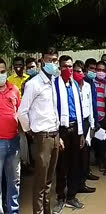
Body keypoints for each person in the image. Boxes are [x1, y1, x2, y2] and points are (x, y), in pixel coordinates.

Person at [18, 47, 60, 214]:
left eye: (55, 60)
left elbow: (53, 110)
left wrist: (58, 134)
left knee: (49, 181)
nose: (52, 63)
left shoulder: (52, 81)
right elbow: (22, 112)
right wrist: (31, 131)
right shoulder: (33, 84)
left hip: (55, 135)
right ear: (42, 60)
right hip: (42, 137)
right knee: (40, 182)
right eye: (49, 60)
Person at [53, 55, 85, 213]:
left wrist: (81, 134)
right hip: (63, 130)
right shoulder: (54, 85)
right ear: (60, 68)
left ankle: (71, 196)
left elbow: (79, 110)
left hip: (75, 129)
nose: (68, 69)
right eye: (65, 66)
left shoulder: (74, 85)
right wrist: (58, 135)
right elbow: (53, 111)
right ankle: (60, 197)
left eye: (70, 66)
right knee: (61, 165)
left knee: (74, 164)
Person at [0, 58, 21, 214]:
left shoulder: (14, 89)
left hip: (14, 141)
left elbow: (20, 112)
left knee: (14, 181)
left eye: (2, 71)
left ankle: (12, 211)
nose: (0, 74)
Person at [72, 60, 96, 194]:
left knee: (85, 154)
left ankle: (82, 183)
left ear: (84, 73)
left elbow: (91, 106)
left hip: (86, 122)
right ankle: (75, 184)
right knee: (76, 155)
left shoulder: (87, 86)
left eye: (80, 71)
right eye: (75, 71)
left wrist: (92, 124)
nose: (78, 74)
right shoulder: (71, 86)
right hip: (76, 124)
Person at [83, 58, 100, 181]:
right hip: (84, 121)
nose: (93, 71)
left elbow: (93, 104)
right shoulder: (83, 83)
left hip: (92, 119)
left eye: (95, 69)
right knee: (84, 148)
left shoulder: (92, 83)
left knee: (88, 147)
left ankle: (87, 171)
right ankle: (84, 173)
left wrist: (95, 120)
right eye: (91, 69)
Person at [92, 61, 106, 172]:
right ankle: (96, 159)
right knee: (93, 140)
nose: (101, 72)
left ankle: (102, 161)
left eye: (103, 70)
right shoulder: (91, 82)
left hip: (103, 117)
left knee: (102, 140)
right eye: (99, 70)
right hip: (93, 117)